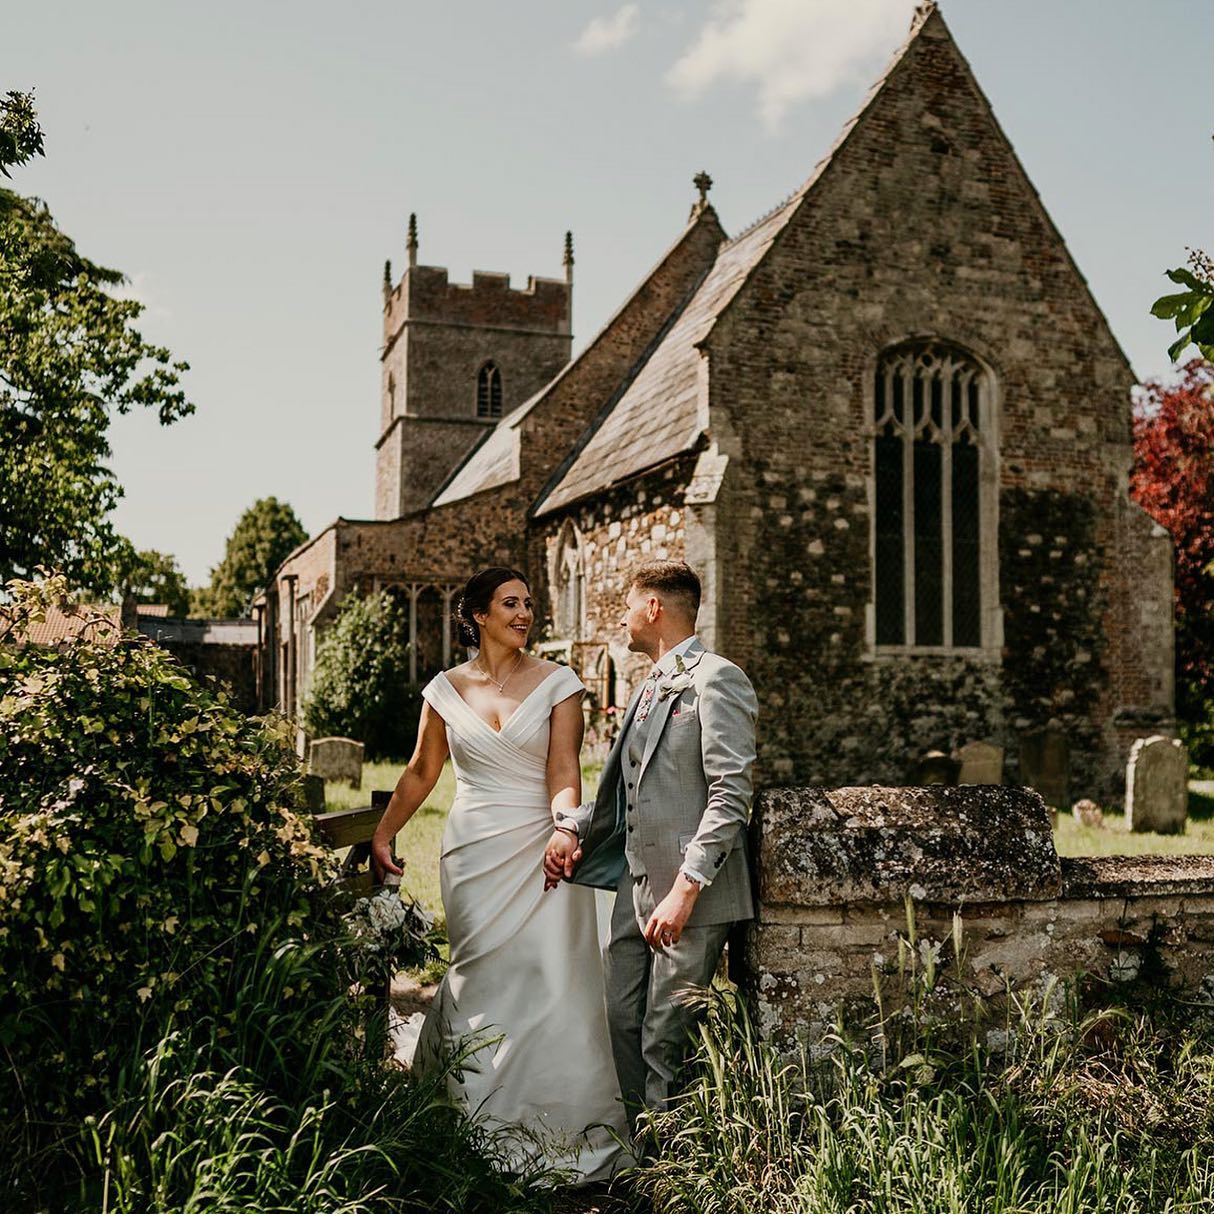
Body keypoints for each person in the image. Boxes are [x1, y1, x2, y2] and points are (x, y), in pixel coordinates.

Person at [371, 567, 625, 1181]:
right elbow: (419, 771)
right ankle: (465, 1118)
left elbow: (565, 766)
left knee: (549, 974)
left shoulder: (559, 683)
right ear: (478, 615)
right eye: (510, 603)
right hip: (473, 850)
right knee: (478, 973)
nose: (524, 613)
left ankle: (558, 1118)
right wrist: (383, 832)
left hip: (541, 842)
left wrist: (567, 827)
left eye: (529, 604)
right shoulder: (444, 689)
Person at [544, 560, 758, 1127]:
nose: (622, 619)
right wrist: (571, 827)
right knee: (620, 1020)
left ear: (654, 609)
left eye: (628, 606)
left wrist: (686, 890)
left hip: (693, 897)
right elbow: (621, 794)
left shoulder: (718, 679)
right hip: (633, 888)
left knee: (667, 1038)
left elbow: (730, 795)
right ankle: (642, 1152)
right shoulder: (645, 689)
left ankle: (669, 1181)